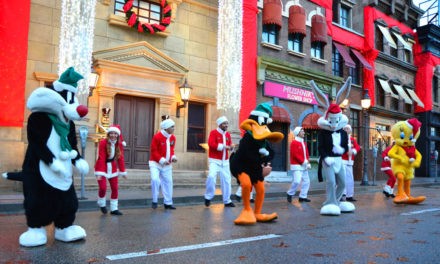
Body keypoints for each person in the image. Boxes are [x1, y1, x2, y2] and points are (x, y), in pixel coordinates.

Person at [95, 124, 127, 215]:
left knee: (115, 188)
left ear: (117, 135)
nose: (113, 135)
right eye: (111, 133)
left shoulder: (119, 144)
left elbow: (120, 158)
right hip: (101, 167)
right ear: (108, 134)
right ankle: (101, 203)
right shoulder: (103, 143)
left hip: (112, 167)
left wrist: (122, 171)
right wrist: (100, 173)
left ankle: (114, 209)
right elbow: (101, 158)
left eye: (115, 133)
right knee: (103, 188)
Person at [204, 116, 235, 207]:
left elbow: (229, 146)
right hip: (214, 160)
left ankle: (227, 201)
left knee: (227, 181)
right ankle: (208, 197)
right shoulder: (213, 133)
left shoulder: (228, 134)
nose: (226, 125)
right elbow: (211, 144)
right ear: (220, 124)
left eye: (227, 123)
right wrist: (223, 146)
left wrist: (231, 147)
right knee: (211, 176)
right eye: (224, 123)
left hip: (225, 161)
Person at [149, 118, 178, 210]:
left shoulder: (173, 138)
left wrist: (173, 157)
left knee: (169, 183)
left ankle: (168, 203)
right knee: (155, 180)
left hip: (167, 165)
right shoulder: (157, 137)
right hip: (155, 163)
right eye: (172, 127)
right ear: (166, 128)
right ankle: (154, 200)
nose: (174, 128)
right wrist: (161, 160)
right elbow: (154, 151)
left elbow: (172, 150)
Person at [286, 126, 312, 203]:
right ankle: (290, 193)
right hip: (297, 165)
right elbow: (295, 155)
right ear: (298, 133)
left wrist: (308, 162)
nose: (304, 132)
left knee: (307, 181)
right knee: (297, 181)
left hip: (304, 165)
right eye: (302, 131)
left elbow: (307, 154)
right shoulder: (294, 142)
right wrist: (303, 162)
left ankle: (303, 196)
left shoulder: (303, 142)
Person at [341, 125, 361, 202]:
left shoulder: (353, 139)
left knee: (350, 179)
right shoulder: (341, 139)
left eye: (347, 129)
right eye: (345, 128)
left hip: (350, 162)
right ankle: (343, 194)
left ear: (350, 130)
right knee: (343, 178)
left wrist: (353, 151)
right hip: (342, 161)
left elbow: (358, 147)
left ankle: (349, 195)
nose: (346, 130)